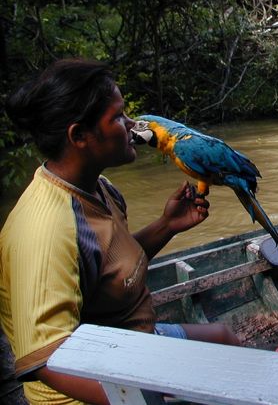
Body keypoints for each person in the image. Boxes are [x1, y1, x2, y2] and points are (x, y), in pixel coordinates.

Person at [0, 59, 240, 405]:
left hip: (131, 341)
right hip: (89, 384)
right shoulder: (43, 231)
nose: (131, 125)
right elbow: (44, 358)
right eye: (117, 117)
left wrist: (167, 225)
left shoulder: (101, 189)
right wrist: (142, 398)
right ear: (79, 136)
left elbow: (111, 266)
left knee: (224, 339)